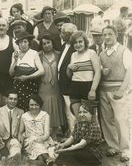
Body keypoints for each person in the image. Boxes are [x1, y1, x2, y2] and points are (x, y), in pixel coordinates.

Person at [99, 25, 132, 162]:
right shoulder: (102, 53)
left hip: (118, 91)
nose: (107, 37)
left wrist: (122, 90)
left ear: (116, 35)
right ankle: (113, 147)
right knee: (107, 120)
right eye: (105, 34)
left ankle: (125, 151)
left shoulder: (124, 51)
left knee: (121, 120)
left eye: (110, 34)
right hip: (103, 90)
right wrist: (102, 72)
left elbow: (130, 72)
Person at [55, 100, 103, 166]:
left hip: (91, 153)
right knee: (64, 151)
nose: (82, 114)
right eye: (80, 112)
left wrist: (66, 150)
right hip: (80, 149)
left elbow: (81, 144)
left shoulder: (94, 127)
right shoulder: (78, 124)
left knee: (67, 154)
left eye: (85, 112)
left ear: (92, 114)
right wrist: (63, 145)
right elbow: (72, 138)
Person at [66, 31, 101, 117]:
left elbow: (98, 72)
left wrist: (93, 90)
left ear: (85, 42)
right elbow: (69, 75)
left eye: (80, 42)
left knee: (89, 118)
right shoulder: (73, 55)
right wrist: (69, 67)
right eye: (75, 43)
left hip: (88, 87)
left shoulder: (91, 53)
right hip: (75, 87)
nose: (78, 44)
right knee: (78, 117)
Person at [38, 34, 65, 139]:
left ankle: (53, 136)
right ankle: (45, 136)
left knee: (55, 110)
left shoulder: (59, 54)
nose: (46, 45)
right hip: (43, 86)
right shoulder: (39, 55)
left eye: (48, 42)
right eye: (44, 44)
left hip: (56, 87)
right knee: (44, 109)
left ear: (52, 43)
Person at [9, 31, 44, 111]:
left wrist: (27, 77)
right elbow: (11, 73)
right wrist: (15, 61)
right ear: (18, 44)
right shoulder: (15, 53)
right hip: (18, 86)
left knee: (29, 107)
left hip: (30, 86)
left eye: (25, 42)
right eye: (21, 42)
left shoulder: (34, 53)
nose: (23, 44)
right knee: (18, 108)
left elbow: (42, 71)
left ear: (29, 43)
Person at [0, 90, 24, 163]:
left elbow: (22, 130)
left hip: (13, 139)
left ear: (17, 100)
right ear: (6, 99)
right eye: (10, 99)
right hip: (0, 138)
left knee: (16, 145)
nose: (13, 101)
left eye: (15, 99)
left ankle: (12, 161)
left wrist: (21, 136)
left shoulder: (20, 112)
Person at [18, 94, 55, 165]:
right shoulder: (24, 116)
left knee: (38, 149)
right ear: (28, 105)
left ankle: (42, 162)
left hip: (44, 140)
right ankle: (48, 160)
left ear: (40, 105)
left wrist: (41, 139)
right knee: (35, 144)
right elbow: (20, 132)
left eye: (36, 105)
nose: (34, 107)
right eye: (31, 105)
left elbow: (47, 133)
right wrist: (20, 140)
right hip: (30, 141)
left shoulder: (45, 115)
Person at [58, 23, 77, 133]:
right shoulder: (64, 46)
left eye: (63, 33)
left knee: (70, 112)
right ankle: (70, 132)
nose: (61, 35)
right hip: (62, 84)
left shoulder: (74, 48)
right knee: (66, 110)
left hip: (70, 86)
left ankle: (74, 134)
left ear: (69, 35)